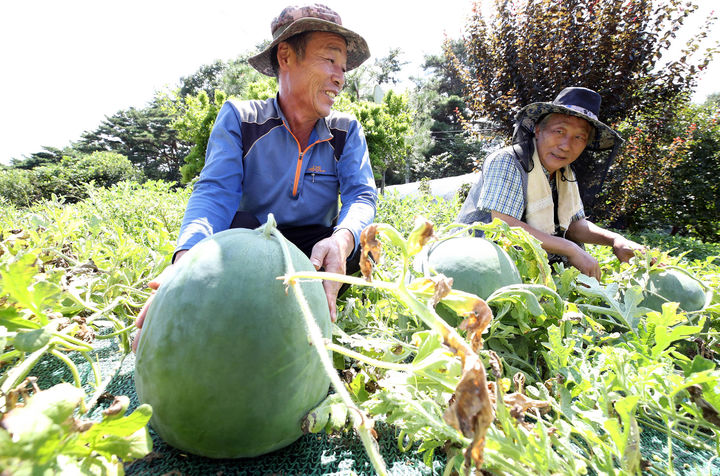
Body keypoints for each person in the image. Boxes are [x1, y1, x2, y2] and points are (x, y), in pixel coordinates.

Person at [133, 4, 377, 352]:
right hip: (248, 246)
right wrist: (187, 258)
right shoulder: (241, 118)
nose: (340, 76)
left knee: (362, 245)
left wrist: (341, 241)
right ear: (286, 56)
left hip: (315, 252)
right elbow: (215, 192)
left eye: (343, 67)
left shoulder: (346, 130)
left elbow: (361, 197)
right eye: (329, 60)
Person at [457, 87, 643, 280]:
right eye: (559, 131)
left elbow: (574, 224)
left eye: (579, 137)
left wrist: (615, 240)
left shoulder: (565, 174)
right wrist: (569, 248)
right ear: (538, 130)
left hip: (526, 268)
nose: (565, 145)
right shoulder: (509, 161)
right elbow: (503, 226)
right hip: (474, 267)